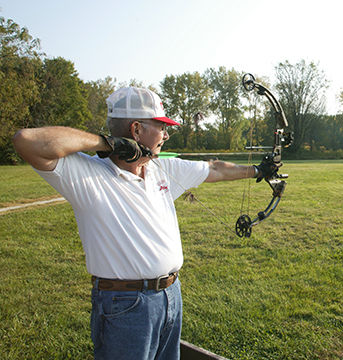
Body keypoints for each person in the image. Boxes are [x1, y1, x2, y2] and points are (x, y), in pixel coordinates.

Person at [12, 86, 279, 359]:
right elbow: (26, 140)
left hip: (171, 295)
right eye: (161, 126)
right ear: (137, 130)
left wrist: (259, 170)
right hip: (125, 306)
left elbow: (214, 168)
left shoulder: (161, 168)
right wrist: (109, 143)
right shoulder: (87, 173)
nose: (166, 134)